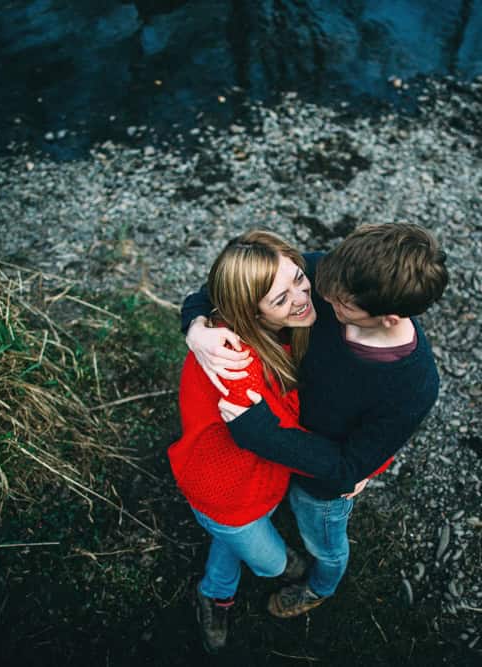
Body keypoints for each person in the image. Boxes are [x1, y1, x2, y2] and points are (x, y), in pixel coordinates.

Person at [182, 223, 449, 618]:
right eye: (316, 281)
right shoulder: (336, 279)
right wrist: (195, 325)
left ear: (389, 317)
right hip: (286, 447)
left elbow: (346, 467)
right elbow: (235, 285)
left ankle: (320, 587)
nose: (318, 298)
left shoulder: (413, 385)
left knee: (325, 544)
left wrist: (260, 433)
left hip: (319, 485)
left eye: (342, 305)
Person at [167, 229, 318, 654]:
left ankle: (216, 593)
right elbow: (284, 437)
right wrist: (353, 466)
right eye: (280, 299)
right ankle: (252, 577)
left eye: (296, 278)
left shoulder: (270, 327)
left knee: (232, 542)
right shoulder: (236, 363)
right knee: (268, 562)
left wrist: (193, 322)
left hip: (256, 480)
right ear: (248, 312)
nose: (300, 296)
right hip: (226, 493)